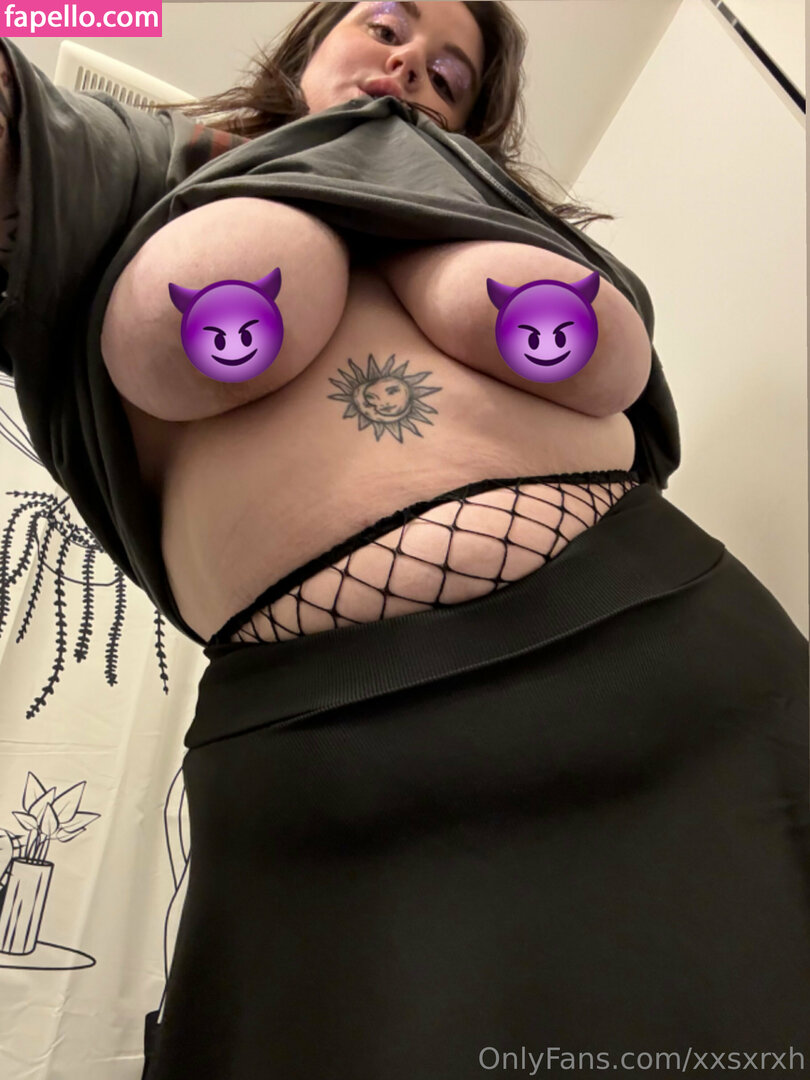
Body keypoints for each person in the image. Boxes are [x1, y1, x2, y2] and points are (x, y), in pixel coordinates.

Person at [0, 4, 807, 1079]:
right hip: (340, 757)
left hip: (680, 661)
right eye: (388, 25)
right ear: (308, 43)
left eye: (452, 75)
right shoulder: (138, 168)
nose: (413, 63)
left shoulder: (497, 217)